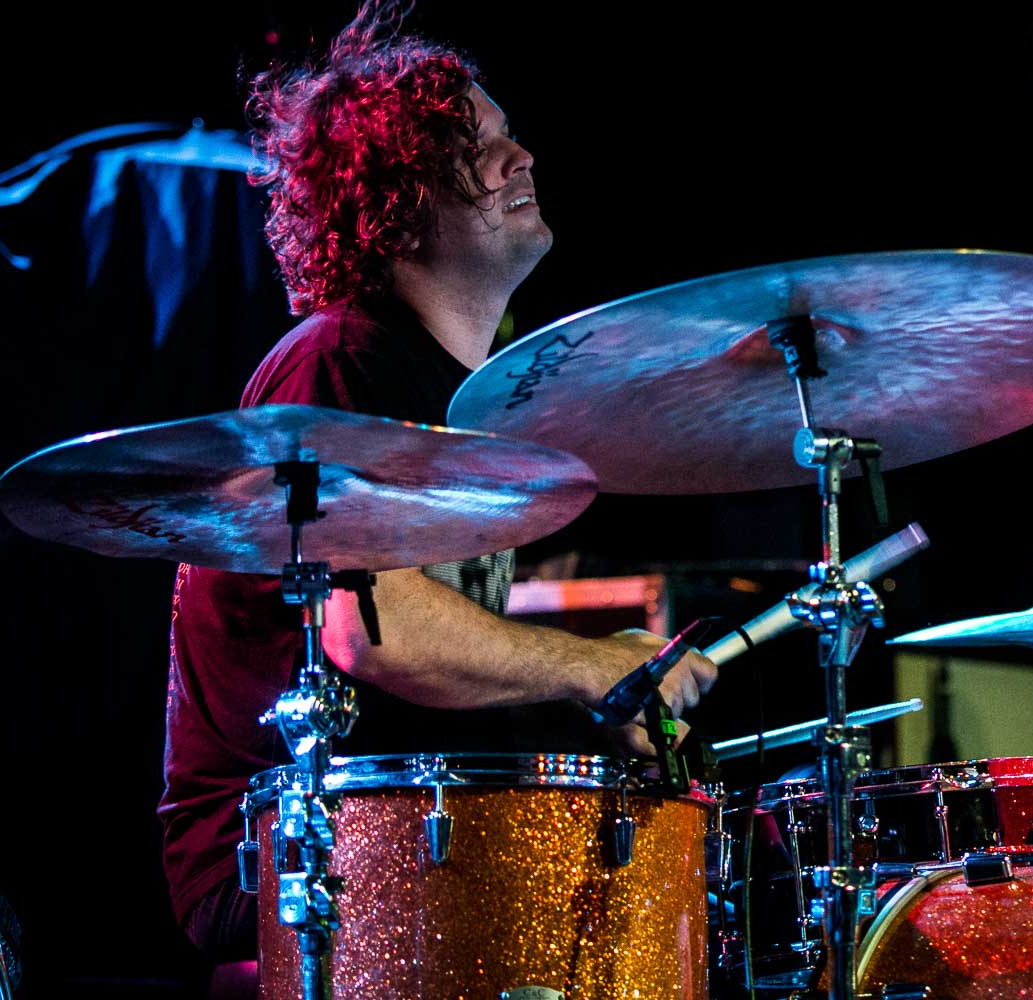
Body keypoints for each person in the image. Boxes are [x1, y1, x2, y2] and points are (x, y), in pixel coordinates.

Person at [156, 1, 717, 961]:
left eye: (507, 135)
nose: (520, 158)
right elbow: (377, 633)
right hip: (285, 857)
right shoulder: (337, 362)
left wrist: (606, 688)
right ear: (393, 194)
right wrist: (585, 667)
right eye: (476, 146)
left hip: (404, 823)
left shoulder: (458, 396)